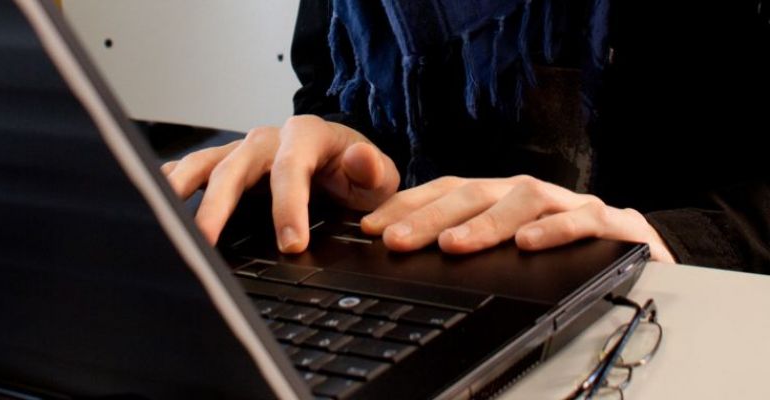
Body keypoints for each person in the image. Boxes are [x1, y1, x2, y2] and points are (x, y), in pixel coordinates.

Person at [162, 0, 770, 273]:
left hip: (683, 315)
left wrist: (674, 238)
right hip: (425, 299)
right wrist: (337, 151)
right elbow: (335, 85)